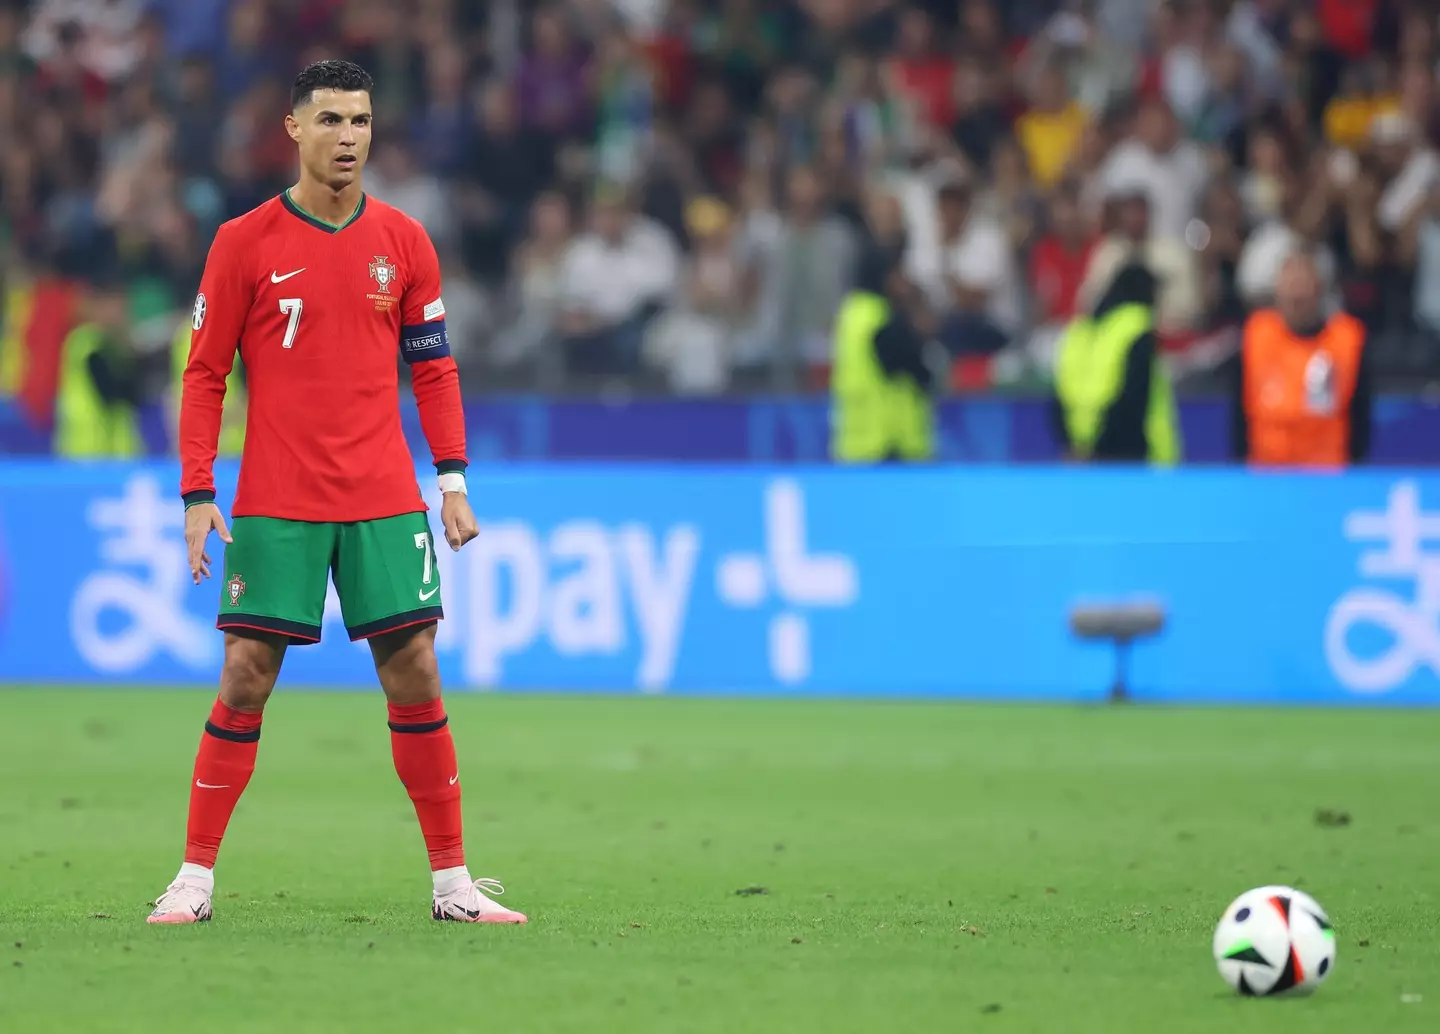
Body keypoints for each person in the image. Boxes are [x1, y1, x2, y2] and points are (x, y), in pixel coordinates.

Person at [149, 61, 527, 926]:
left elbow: (434, 369)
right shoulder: (243, 242)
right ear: (293, 129)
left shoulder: (405, 243)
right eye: (330, 121)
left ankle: (453, 885)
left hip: (384, 498)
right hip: (279, 497)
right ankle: (194, 879)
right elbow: (205, 375)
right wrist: (197, 492)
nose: (348, 137)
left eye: (360, 120)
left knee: (416, 669)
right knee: (245, 675)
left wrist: (453, 478)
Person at [1232, 250, 1371, 467]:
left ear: (1320, 289)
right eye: (1289, 285)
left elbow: (1361, 418)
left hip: (1326, 475)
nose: (1296, 294)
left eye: (1303, 284)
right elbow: (1238, 414)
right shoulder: (1257, 335)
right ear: (1277, 290)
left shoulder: (1347, 340)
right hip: (1266, 474)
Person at [831, 189, 935, 464]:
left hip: (854, 446)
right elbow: (919, 373)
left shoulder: (852, 313)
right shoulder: (884, 320)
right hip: (889, 445)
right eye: (897, 275)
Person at [1052, 260, 1180, 464]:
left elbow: (1058, 398)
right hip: (1134, 457)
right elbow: (1133, 398)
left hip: (1081, 455)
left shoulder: (1078, 331)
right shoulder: (1137, 328)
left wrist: (1077, 448)